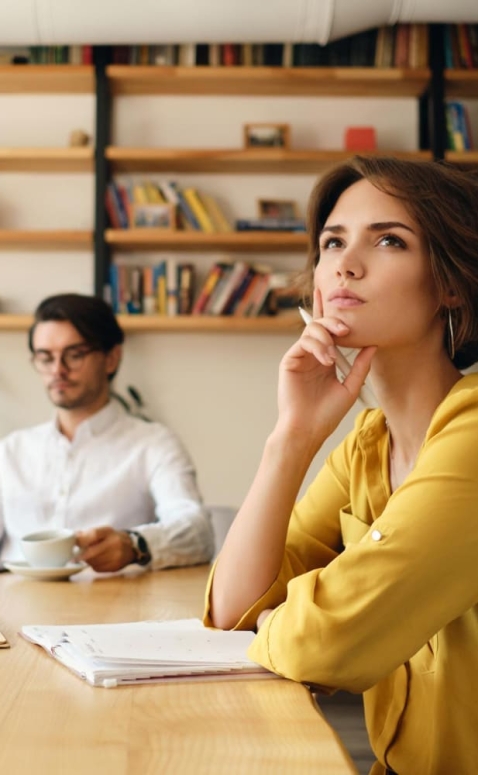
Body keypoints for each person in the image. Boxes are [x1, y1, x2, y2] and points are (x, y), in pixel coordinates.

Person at [205, 156, 478, 775]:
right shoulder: (366, 443)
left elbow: (326, 644)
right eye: (333, 242)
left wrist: (287, 620)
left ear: (450, 284)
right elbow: (232, 610)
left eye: (388, 240)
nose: (345, 265)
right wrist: (292, 438)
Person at [0, 292, 214, 573]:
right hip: (9, 606)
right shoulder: (9, 452)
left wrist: (135, 545)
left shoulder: (153, 445)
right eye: (45, 358)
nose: (58, 370)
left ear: (111, 359)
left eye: (74, 355)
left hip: (115, 607)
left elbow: (198, 531)